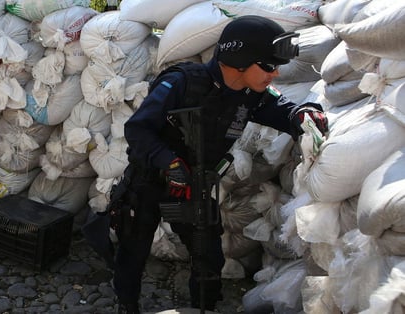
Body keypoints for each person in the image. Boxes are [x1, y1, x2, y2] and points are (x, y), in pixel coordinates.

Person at [113, 15, 329, 314]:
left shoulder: (250, 95)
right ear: (240, 59)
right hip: (148, 180)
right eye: (268, 66)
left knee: (208, 256)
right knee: (133, 249)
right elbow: (138, 129)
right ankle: (127, 305)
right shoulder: (181, 83)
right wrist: (169, 162)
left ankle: (204, 307)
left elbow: (281, 108)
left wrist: (303, 114)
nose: (275, 74)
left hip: (193, 186)